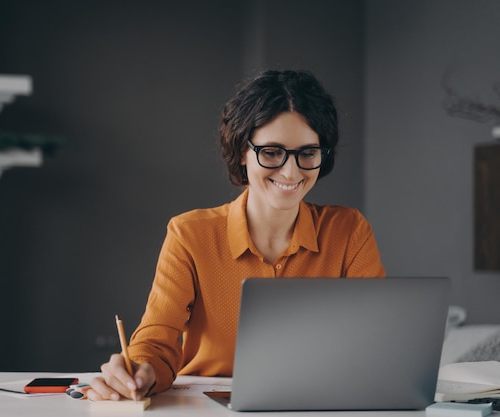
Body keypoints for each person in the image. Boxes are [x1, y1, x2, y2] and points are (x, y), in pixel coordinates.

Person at [87, 69, 386, 401]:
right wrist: (139, 371)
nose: (291, 171)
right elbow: (156, 343)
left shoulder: (349, 231)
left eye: (307, 153)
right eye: (271, 152)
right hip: (205, 406)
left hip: (316, 405)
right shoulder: (189, 234)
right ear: (243, 152)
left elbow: (375, 343)